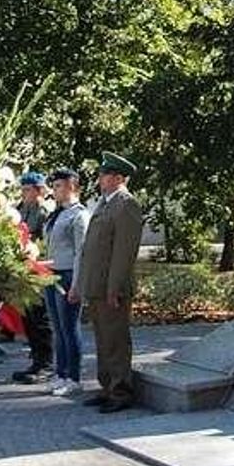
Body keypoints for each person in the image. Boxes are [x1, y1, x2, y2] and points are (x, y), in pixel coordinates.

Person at [70, 151, 142, 413]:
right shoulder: (105, 203)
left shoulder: (127, 205)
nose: (100, 179)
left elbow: (124, 253)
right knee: (103, 339)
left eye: (104, 175)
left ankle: (121, 391)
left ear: (118, 178)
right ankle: (107, 387)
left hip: (112, 289)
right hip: (98, 286)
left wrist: (114, 288)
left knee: (116, 340)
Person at [42, 168, 90, 396]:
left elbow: (82, 252)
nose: (54, 190)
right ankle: (60, 373)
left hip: (68, 274)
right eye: (54, 186)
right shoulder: (58, 214)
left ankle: (74, 377)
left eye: (59, 186)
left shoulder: (79, 215)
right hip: (51, 274)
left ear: (72, 187)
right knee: (58, 328)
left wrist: (77, 285)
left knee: (69, 328)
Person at [10, 171, 55, 383]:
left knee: (40, 319)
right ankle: (36, 362)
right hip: (24, 271)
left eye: (28, 189)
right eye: (23, 189)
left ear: (39, 191)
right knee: (28, 318)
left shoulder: (45, 211)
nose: (24, 193)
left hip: (40, 270)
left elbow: (45, 242)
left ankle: (46, 364)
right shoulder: (21, 209)